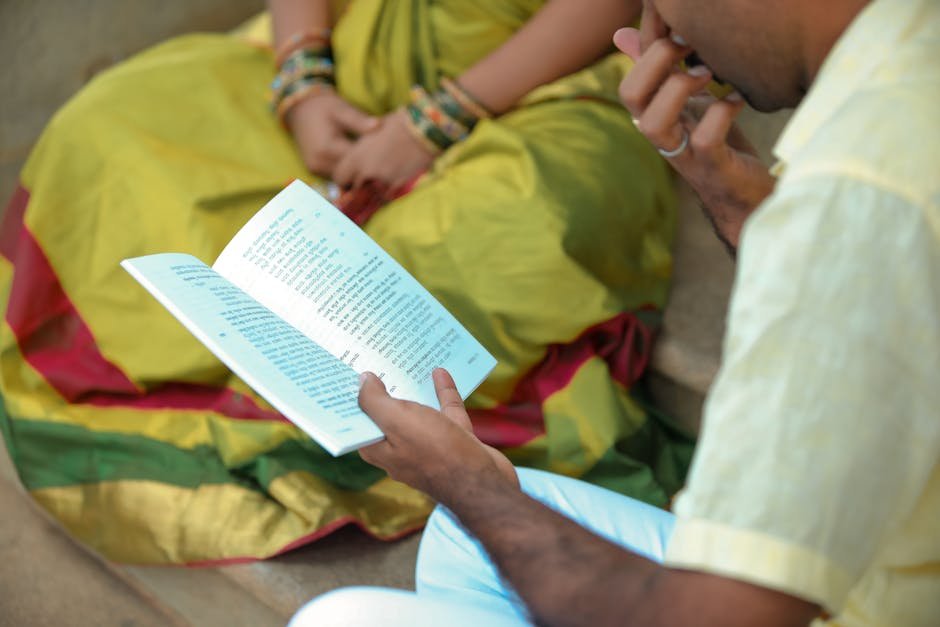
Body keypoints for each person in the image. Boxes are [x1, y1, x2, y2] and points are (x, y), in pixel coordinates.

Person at [291, 0, 940, 624]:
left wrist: (464, 482)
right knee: (463, 540)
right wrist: (740, 210)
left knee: (340, 616)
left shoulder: (860, 197)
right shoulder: (907, 63)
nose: (659, 27)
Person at [0, 0, 690, 564]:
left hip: (551, 82)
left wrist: (437, 119)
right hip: (356, 49)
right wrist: (302, 80)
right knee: (108, 132)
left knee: (471, 250)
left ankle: (335, 418)